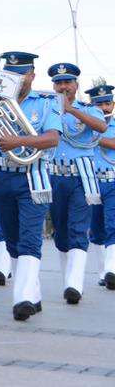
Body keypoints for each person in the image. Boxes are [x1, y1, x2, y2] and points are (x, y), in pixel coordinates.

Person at [0, 52, 61, 320]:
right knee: (12, 238)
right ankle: (32, 293)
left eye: (21, 74)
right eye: (11, 74)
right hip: (2, 177)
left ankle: (23, 297)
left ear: (31, 75)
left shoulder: (46, 102)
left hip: (34, 176)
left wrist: (17, 142)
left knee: (29, 237)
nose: (17, 79)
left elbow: (52, 138)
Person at [47, 62, 106, 303]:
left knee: (78, 228)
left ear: (76, 85)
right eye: (59, 83)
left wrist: (71, 110)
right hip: (53, 175)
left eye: (67, 82)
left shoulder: (88, 109)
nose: (63, 87)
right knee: (60, 230)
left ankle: (75, 283)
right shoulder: (46, 108)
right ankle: (68, 280)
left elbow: (101, 127)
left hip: (81, 176)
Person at [84, 83, 115, 289]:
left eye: (106, 103)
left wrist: (97, 138)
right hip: (92, 181)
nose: (103, 108)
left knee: (113, 224)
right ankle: (102, 271)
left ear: (113, 104)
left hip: (113, 180)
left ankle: (112, 269)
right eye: (98, 104)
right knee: (96, 228)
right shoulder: (84, 124)